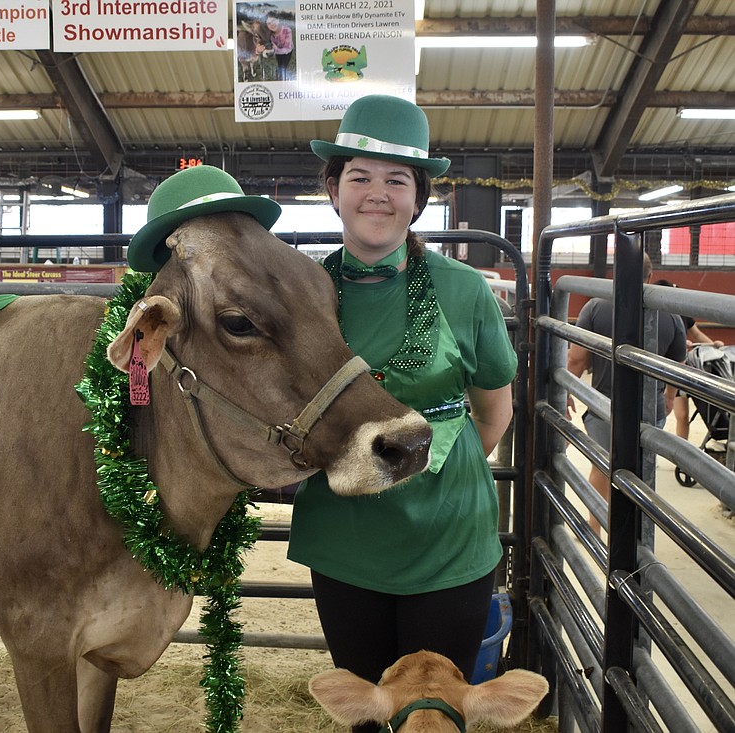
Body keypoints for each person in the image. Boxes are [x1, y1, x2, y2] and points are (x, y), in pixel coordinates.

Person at [286, 94, 517, 728]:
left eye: (397, 180)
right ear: (334, 190)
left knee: (436, 710)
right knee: (366, 710)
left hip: (448, 534)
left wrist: (446, 462)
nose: (377, 195)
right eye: (359, 177)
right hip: (345, 532)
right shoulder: (301, 291)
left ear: (419, 198)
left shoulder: (464, 290)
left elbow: (494, 407)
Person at [566, 257, 686, 533]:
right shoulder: (671, 313)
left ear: (616, 273)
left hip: (606, 404)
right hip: (649, 407)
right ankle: (636, 534)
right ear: (650, 275)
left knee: (602, 465)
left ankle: (594, 527)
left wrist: (566, 392)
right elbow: (676, 364)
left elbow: (577, 359)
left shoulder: (596, 306)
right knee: (641, 470)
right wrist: (668, 397)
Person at [654, 279, 725, 441]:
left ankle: (681, 455)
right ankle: (681, 453)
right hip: (668, 367)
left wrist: (714, 346)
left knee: (683, 414)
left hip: (684, 366)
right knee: (681, 414)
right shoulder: (657, 313)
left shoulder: (682, 312)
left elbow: (697, 334)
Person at [266, 13, 294, 81]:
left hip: (287, 52)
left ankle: (283, 75)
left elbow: (287, 49)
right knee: (279, 62)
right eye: (269, 23)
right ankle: (280, 71)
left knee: (284, 63)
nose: (272, 24)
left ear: (278, 20)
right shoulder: (269, 33)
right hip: (277, 52)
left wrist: (276, 49)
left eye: (273, 21)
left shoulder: (287, 30)